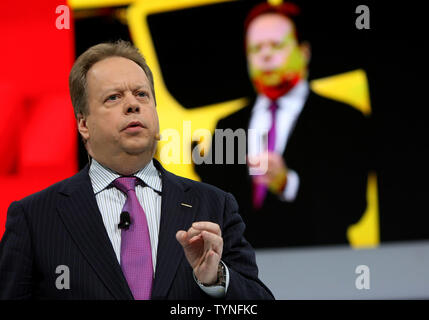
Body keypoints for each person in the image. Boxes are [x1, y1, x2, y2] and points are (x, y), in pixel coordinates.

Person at [0, 40, 274, 300]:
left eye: (142, 94)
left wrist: (217, 279)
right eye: (114, 97)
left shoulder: (215, 205)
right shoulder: (34, 218)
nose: (133, 104)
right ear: (83, 124)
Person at [195, 2, 369, 248]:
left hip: (321, 264)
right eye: (256, 48)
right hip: (244, 272)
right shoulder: (228, 125)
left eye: (276, 45)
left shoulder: (342, 119)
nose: (265, 55)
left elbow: (352, 207)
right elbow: (215, 211)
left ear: (304, 52)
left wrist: (288, 184)